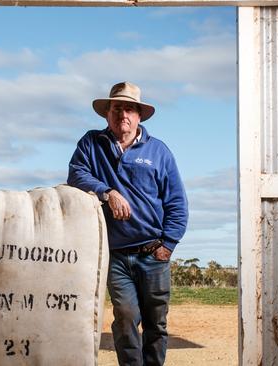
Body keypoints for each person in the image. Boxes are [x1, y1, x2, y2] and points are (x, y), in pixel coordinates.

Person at [67, 81, 188, 366]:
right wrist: (107, 193)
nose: (123, 114)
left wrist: (168, 244)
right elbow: (76, 174)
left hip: (153, 253)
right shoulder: (91, 143)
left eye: (129, 109)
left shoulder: (159, 151)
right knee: (125, 317)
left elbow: (177, 203)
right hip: (116, 254)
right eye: (117, 107)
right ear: (107, 113)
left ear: (139, 116)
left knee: (156, 323)